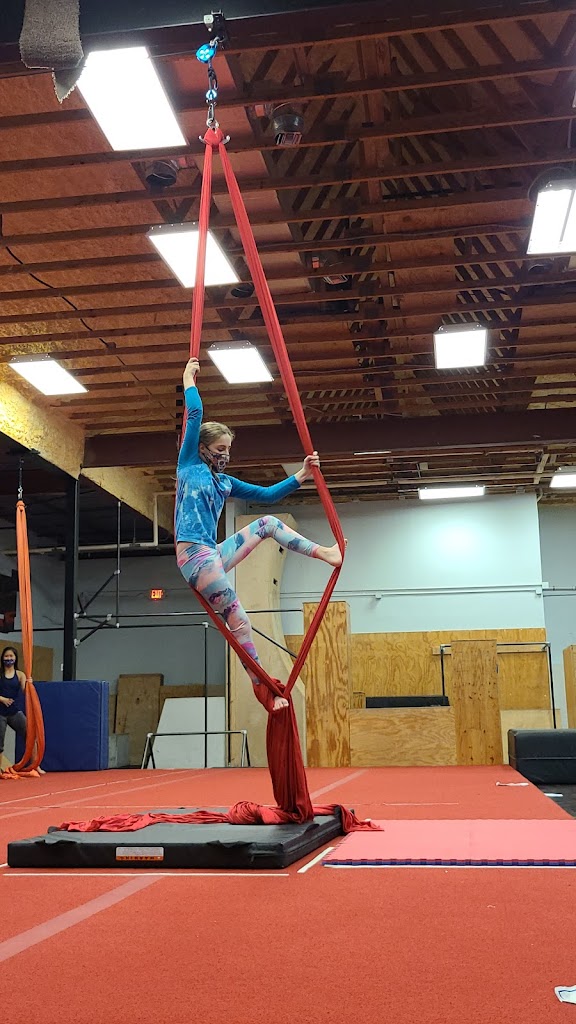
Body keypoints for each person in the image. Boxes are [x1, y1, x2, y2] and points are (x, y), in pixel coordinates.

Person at [176, 357, 345, 712]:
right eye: (220, 449)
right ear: (203, 448)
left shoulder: (224, 482)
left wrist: (301, 476)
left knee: (268, 522)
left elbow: (267, 494)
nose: (225, 455)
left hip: (212, 553)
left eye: (228, 450)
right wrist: (189, 379)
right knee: (238, 618)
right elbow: (194, 416)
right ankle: (263, 690)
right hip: (194, 557)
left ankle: (324, 553)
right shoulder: (188, 464)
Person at [0, 646, 27, 763]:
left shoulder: (20, 675)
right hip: (0, 713)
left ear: (15, 658)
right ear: (2, 658)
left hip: (14, 711)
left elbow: (26, 691)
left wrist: (29, 683)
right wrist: (2, 699)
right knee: (0, 743)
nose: (9, 658)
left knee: (30, 735)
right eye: (6, 656)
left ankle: (36, 765)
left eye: (11, 656)